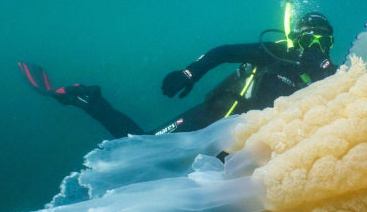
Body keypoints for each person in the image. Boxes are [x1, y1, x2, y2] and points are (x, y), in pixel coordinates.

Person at [18, 12, 338, 139]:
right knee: (141, 146)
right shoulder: (277, 53)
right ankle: (89, 98)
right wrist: (190, 73)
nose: (315, 47)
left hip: (243, 143)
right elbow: (223, 51)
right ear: (296, 38)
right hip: (212, 117)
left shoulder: (330, 78)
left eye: (324, 42)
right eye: (309, 39)